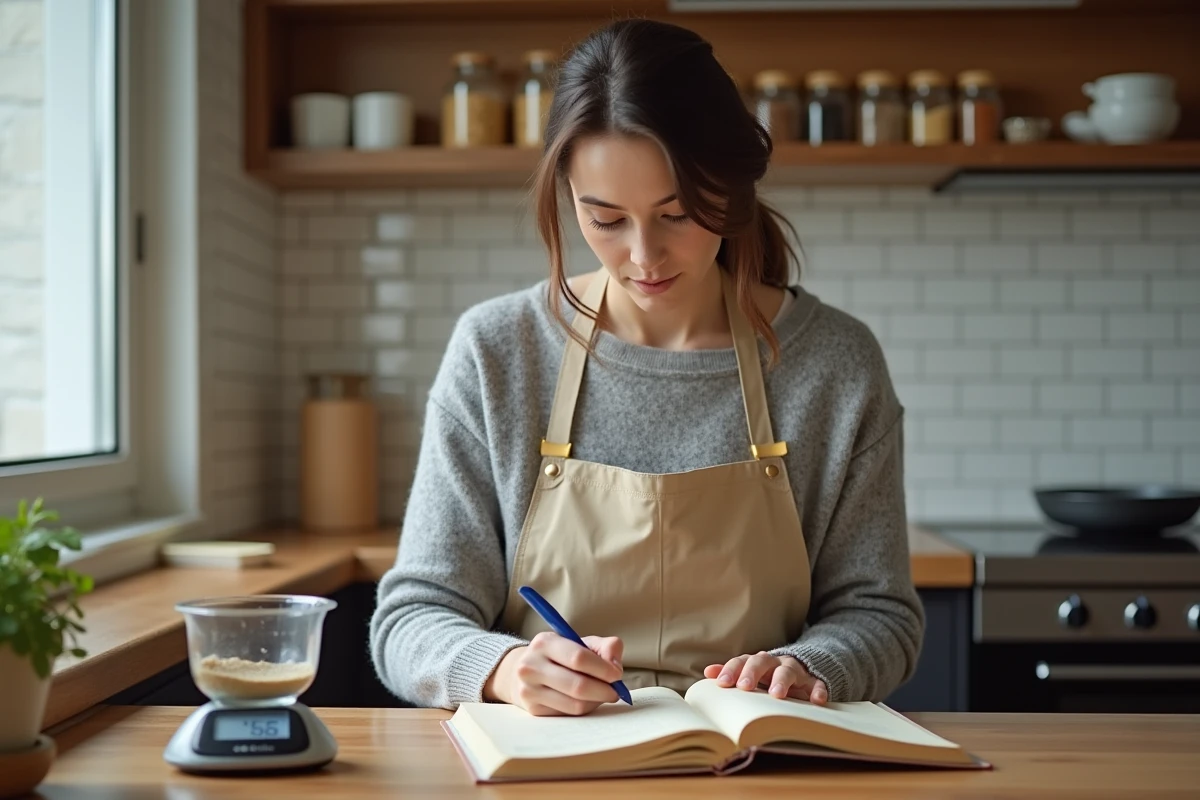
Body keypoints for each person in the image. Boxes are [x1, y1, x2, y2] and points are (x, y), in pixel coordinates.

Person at [369, 18, 924, 717]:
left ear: (730, 185)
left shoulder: (836, 363)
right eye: (605, 220)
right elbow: (411, 619)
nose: (644, 257)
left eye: (679, 213)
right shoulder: (496, 350)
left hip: (764, 767)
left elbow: (881, 616)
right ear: (567, 198)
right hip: (546, 765)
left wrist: (805, 668)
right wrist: (506, 668)